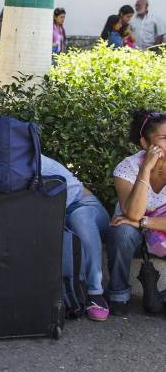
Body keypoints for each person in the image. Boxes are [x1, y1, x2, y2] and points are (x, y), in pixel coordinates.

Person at [106, 109, 166, 316]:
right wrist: (145, 169)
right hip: (133, 233)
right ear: (145, 143)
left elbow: (137, 219)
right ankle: (118, 294)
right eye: (165, 138)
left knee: (128, 225)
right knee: (122, 231)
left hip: (158, 231)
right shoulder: (128, 167)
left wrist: (143, 222)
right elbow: (132, 213)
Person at [41, 155, 111, 321]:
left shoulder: (29, 157)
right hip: (58, 212)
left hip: (84, 204)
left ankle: (95, 292)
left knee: (79, 218)